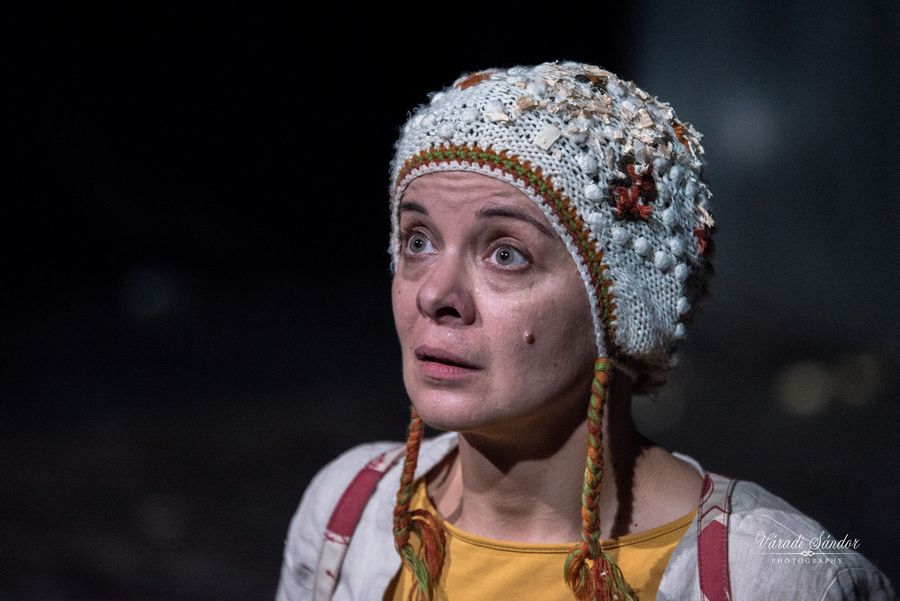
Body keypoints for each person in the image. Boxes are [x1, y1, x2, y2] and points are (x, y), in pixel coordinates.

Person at [275, 61, 896, 601]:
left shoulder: (779, 573)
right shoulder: (347, 512)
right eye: (418, 241)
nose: (435, 295)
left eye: (506, 254)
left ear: (620, 305)